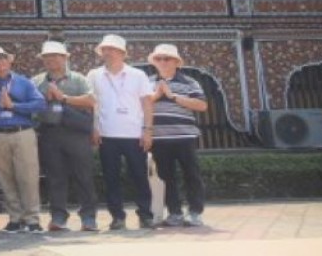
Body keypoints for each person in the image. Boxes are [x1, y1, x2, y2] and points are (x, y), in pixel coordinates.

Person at [0, 45, 46, 233]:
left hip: (22, 133)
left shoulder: (24, 82)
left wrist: (13, 106)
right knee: (5, 178)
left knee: (28, 177)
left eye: (1, 58)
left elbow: (39, 103)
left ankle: (32, 218)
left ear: (9, 60)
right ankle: (15, 217)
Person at [87, 34, 155, 231]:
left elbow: (147, 104)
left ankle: (145, 215)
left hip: (134, 134)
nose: (107, 53)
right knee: (111, 178)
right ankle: (117, 217)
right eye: (105, 49)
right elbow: (91, 104)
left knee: (139, 176)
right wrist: (94, 128)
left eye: (112, 49)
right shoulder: (94, 74)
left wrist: (148, 130)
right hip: (107, 134)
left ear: (123, 53)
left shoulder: (137, 75)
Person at [31, 40, 98, 232]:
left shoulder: (78, 79)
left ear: (65, 58)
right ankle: (58, 217)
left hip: (76, 133)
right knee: (55, 177)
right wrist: (46, 99)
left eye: (55, 55)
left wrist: (64, 98)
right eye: (46, 56)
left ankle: (88, 217)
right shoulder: (36, 81)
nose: (50, 59)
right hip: (49, 133)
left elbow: (91, 100)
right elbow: (30, 107)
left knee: (83, 176)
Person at [147, 43, 208, 228]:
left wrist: (173, 96)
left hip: (184, 136)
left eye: (167, 58)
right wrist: (157, 95)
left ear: (176, 62)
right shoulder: (148, 82)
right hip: (159, 138)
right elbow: (140, 105)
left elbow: (202, 105)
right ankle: (174, 213)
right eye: (159, 59)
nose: (163, 62)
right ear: (154, 62)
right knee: (167, 177)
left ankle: (195, 212)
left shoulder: (190, 82)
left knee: (192, 175)